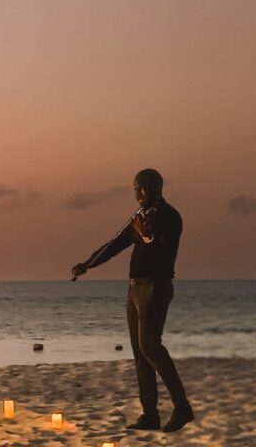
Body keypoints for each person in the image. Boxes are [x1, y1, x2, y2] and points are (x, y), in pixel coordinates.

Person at [71, 168, 195, 431]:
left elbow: (159, 244)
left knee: (151, 346)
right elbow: (114, 245)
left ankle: (182, 408)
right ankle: (150, 415)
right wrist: (88, 264)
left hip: (155, 287)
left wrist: (146, 235)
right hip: (135, 289)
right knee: (139, 353)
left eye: (142, 187)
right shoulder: (140, 217)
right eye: (135, 189)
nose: (138, 193)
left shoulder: (170, 217)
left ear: (156, 187)